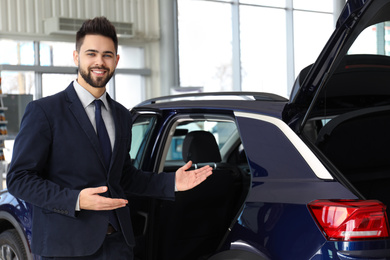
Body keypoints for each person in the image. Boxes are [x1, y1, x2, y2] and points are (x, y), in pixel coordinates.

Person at [6, 16, 212, 259]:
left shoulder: (122, 116)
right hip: (66, 248)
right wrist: (77, 200)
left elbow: (123, 175)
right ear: (76, 57)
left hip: (117, 245)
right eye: (91, 53)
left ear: (116, 60)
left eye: (107, 55)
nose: (99, 62)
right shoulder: (45, 111)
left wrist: (171, 183)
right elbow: (19, 179)